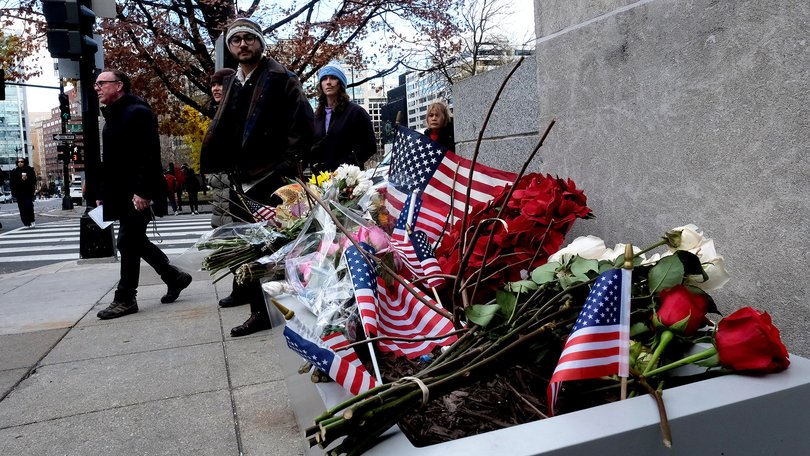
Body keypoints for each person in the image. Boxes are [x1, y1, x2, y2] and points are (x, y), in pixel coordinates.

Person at [201, 17, 314, 337]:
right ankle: (259, 311)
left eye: (248, 38)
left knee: (281, 249)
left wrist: (282, 166)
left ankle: (295, 308)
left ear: (260, 42)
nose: (242, 45)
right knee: (251, 247)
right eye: (235, 41)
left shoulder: (281, 77)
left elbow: (304, 126)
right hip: (241, 179)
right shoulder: (235, 82)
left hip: (272, 178)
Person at [94, 69, 192, 320]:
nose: (97, 88)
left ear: (118, 86)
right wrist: (103, 192)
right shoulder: (114, 116)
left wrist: (142, 191)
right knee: (134, 241)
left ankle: (126, 298)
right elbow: (112, 162)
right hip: (121, 191)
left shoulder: (137, 112)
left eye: (101, 83)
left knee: (128, 241)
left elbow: (148, 155)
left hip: (137, 191)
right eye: (96, 84)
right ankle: (174, 277)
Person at [311, 61, 377, 173]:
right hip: (321, 181)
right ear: (320, 85)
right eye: (324, 79)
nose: (328, 82)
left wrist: (346, 167)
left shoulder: (356, 112)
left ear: (340, 83)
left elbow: (369, 146)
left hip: (348, 181)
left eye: (333, 78)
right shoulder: (317, 117)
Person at [9, 157, 36, 228]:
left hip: (28, 192)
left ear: (25, 162)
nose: (20, 163)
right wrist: (13, 193)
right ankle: (26, 222)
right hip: (19, 192)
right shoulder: (14, 172)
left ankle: (31, 220)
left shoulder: (29, 170)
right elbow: (12, 183)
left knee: (29, 206)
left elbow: (34, 181)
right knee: (22, 208)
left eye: (22, 162)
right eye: (18, 162)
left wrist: (27, 179)